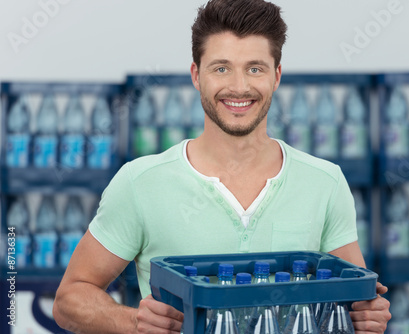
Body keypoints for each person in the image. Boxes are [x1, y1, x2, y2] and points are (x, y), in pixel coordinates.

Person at [53, 0, 391, 333]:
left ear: (276, 76)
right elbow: (69, 298)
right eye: (221, 68)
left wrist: (367, 315)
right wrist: (133, 322)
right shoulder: (140, 183)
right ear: (196, 76)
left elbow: (354, 301)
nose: (239, 87)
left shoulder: (324, 183)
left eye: (255, 68)